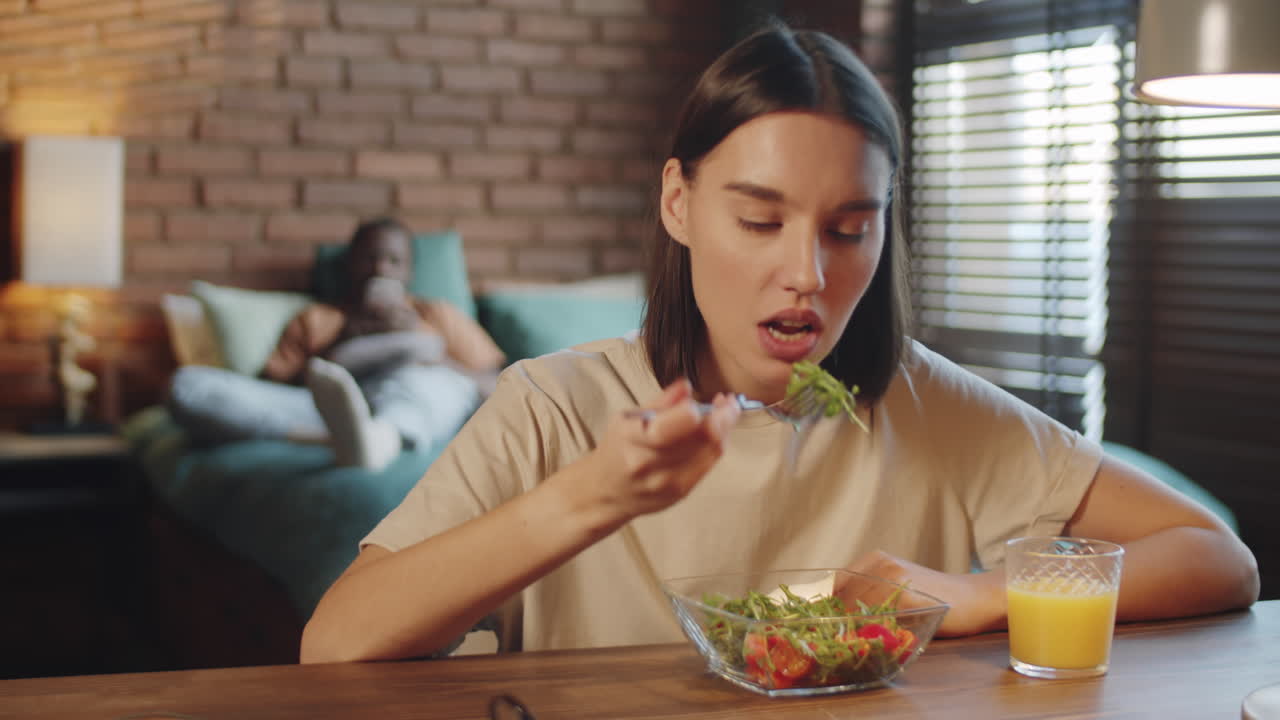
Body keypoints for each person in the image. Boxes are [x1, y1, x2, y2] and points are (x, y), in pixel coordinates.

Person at [299, 25, 1258, 662]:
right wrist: (589, 498)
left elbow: (1217, 557)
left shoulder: (928, 403)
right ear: (678, 204)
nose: (809, 272)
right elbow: (333, 645)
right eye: (761, 222)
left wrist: (982, 593)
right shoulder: (553, 405)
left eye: (849, 229)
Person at [167, 217, 506, 471]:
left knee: (435, 384)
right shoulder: (317, 319)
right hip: (327, 411)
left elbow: (499, 387)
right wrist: (343, 341)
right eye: (369, 258)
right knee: (188, 385)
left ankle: (382, 437)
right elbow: (272, 386)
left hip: (415, 399)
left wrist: (435, 358)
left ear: (409, 273)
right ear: (349, 265)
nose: (379, 268)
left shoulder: (437, 315)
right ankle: (348, 438)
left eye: (393, 261)